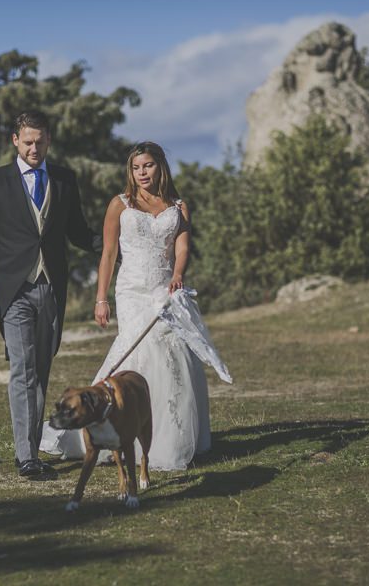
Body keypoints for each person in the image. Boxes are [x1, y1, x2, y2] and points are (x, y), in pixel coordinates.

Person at [40, 141, 231, 471]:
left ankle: (170, 439)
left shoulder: (178, 205)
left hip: (164, 289)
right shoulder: (120, 204)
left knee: (173, 355)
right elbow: (109, 254)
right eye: (136, 167)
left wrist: (178, 275)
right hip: (130, 290)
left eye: (148, 166)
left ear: (160, 167)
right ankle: (108, 429)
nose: (142, 173)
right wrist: (102, 298)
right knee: (134, 353)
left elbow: (182, 248)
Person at [0, 110, 102, 479]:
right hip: (14, 290)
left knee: (41, 370)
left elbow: (77, 231)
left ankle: (31, 446)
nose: (34, 149)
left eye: (40, 142)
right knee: (23, 370)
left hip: (52, 288)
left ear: (49, 140)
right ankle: (26, 455)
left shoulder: (64, 179)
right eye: (27, 142)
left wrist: (116, 244)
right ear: (15, 140)